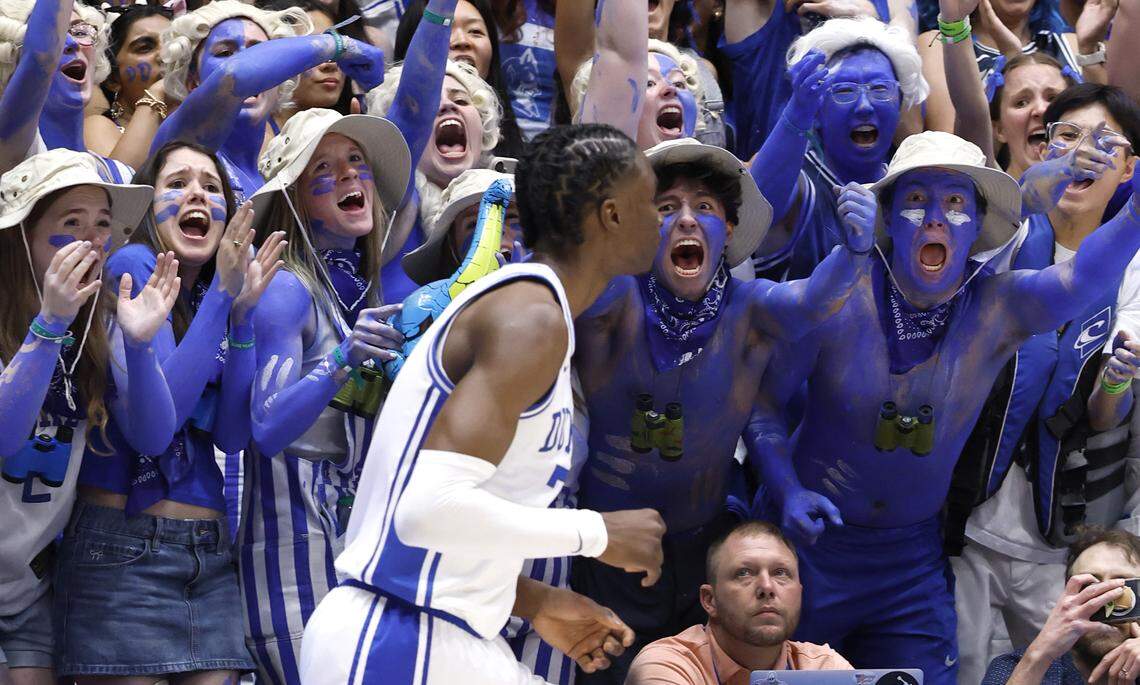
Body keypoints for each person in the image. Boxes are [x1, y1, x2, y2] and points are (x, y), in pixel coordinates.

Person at [750, 128, 1140, 684]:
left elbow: (1080, 279)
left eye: (955, 202)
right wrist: (786, 489)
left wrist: (1135, 214)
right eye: (916, 200)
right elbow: (762, 403)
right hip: (808, 548)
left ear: (978, 225)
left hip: (910, 562)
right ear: (887, 217)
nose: (935, 218)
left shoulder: (999, 308)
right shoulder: (837, 293)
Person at [299, 123, 667, 685]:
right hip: (398, 636)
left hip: (428, 631)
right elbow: (426, 511)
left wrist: (536, 600)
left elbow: (440, 532)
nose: (661, 220)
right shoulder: (530, 318)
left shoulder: (532, 309)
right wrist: (597, 534)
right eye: (651, 202)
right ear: (612, 215)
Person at [570, 134, 873, 684]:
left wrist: (854, 252)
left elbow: (812, 301)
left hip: (707, 553)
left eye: (704, 208)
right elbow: (559, 278)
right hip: (608, 553)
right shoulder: (615, 300)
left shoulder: (750, 310)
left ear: (728, 230)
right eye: (666, 208)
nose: (686, 220)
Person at [51, 142, 285, 684]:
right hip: (122, 549)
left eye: (211, 185)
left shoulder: (215, 292)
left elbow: (232, 435)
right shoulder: (136, 265)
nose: (197, 193)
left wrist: (241, 317)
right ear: (148, 207)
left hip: (208, 553)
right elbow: (155, 431)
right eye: (177, 183)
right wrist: (222, 295)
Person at [947, 82, 1140, 684]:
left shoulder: (1134, 270)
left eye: (1106, 143)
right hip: (963, 525)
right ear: (1041, 148)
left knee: (1069, 675)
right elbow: (972, 126)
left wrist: (1116, 382)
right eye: (1069, 136)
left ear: (1130, 168)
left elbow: (1106, 414)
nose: (1086, 152)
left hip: (1059, 539)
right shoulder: (1000, 237)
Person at [240, 107, 410, 685]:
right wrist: (339, 362)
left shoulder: (362, 293)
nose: (349, 174)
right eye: (323, 168)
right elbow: (264, 429)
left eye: (356, 161)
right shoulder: (287, 289)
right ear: (293, 199)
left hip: (347, 550)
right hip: (291, 563)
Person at [0, 148, 177, 685]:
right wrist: (49, 324)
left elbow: (153, 435)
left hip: (28, 584)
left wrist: (140, 347)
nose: (94, 239)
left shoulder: (100, 322)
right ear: (22, 237)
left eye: (103, 223)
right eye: (71, 223)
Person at [745, 11, 992, 283]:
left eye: (880, 89)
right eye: (844, 91)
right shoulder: (801, 184)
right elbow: (755, 213)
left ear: (900, 103)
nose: (864, 105)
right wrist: (797, 113)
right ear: (816, 111)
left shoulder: (913, 189)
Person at [153, 0, 385, 202]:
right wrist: (341, 45)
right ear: (193, 82)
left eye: (262, 53)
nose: (251, 63)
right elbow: (236, 74)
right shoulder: (180, 140)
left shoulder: (290, 171)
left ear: (279, 77)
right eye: (224, 53)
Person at [365, 0, 505, 302]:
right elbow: (412, 108)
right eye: (431, 105)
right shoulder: (392, 200)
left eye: (461, 100)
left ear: (483, 128)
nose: (447, 106)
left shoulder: (511, 195)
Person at [626, 521, 852, 683]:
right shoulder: (668, 664)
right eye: (744, 573)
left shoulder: (824, 668)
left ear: (800, 593)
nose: (767, 587)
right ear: (709, 600)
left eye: (781, 573)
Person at [919, 0, 1115, 134]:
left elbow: (1112, 127)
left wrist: (1089, 48)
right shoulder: (938, 45)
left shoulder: (1072, 43)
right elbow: (952, 145)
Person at [982, 528, 1140, 684]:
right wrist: (1039, 655)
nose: (1104, 603)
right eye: (1089, 587)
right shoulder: (1015, 667)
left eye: (1122, 591)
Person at [394, 0, 527, 156]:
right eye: (445, 29)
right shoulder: (392, 146)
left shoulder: (516, 157)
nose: (462, 41)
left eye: (475, 31)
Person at [85, 4, 173, 169]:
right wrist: (156, 93)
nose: (166, 55)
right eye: (145, 47)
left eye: (172, 43)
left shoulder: (201, 122)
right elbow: (121, 184)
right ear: (112, 78)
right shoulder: (96, 126)